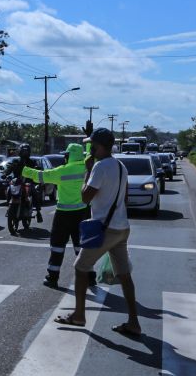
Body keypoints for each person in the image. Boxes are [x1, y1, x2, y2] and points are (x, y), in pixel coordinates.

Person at [55, 128, 141, 336]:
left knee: (81, 267)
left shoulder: (100, 167)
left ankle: (78, 315)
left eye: (91, 144)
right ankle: (133, 322)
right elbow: (125, 199)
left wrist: (87, 172)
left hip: (105, 228)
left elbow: (85, 198)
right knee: (125, 275)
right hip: (122, 228)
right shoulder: (121, 166)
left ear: (99, 146)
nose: (89, 147)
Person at [22, 142, 96, 288]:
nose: (65, 158)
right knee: (82, 248)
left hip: (63, 215)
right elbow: (91, 156)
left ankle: (52, 277)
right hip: (83, 213)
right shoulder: (88, 168)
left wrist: (23, 169)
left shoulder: (63, 170)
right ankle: (90, 277)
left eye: (66, 155)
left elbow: (40, 176)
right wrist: (89, 142)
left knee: (57, 246)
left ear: (69, 156)